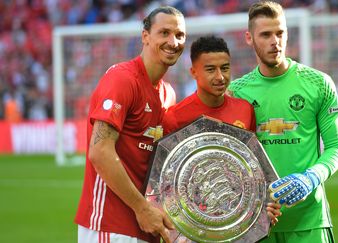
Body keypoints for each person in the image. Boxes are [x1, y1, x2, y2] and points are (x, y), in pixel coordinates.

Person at [228, 1, 338, 242]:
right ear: (249, 38)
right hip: (257, 223)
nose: (275, 41)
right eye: (266, 35)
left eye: (280, 33)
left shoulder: (318, 83)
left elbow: (337, 147)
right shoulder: (236, 92)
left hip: (309, 222)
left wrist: (311, 177)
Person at [74, 6, 185, 243]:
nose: (173, 41)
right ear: (145, 36)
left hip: (146, 225)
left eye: (179, 35)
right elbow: (100, 151)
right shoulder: (122, 79)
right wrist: (142, 208)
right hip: (110, 225)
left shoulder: (168, 94)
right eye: (164, 33)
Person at [162, 35, 281, 225]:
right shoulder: (175, 117)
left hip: (237, 219)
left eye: (225, 68)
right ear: (194, 72)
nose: (220, 77)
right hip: (197, 221)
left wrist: (265, 205)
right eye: (210, 70)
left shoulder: (245, 109)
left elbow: (253, 168)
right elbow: (166, 181)